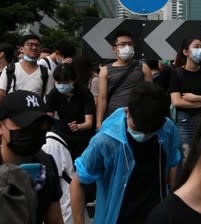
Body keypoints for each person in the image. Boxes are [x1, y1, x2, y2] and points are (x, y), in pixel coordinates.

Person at [70, 82, 180, 224]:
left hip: (157, 215)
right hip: (120, 217)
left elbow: (172, 162)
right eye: (137, 128)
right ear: (127, 111)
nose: (142, 135)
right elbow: (77, 182)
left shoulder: (167, 129)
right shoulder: (106, 141)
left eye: (148, 132)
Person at [0, 90, 63, 224]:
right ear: (0, 127)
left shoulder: (46, 164)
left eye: (39, 125)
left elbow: (55, 220)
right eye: (23, 124)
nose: (32, 131)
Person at [170, 37, 201, 162]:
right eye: (196, 47)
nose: (200, 50)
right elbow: (177, 102)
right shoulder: (177, 73)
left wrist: (194, 98)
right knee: (186, 157)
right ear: (185, 52)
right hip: (184, 121)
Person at [95, 30, 152, 129]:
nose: (127, 47)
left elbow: (150, 95)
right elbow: (102, 98)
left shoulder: (143, 68)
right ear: (114, 49)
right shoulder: (105, 71)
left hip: (137, 119)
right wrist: (99, 122)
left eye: (130, 44)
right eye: (123, 44)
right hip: (113, 119)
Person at [0, 34, 54, 120]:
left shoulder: (46, 73)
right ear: (21, 49)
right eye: (30, 44)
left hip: (35, 121)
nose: (34, 48)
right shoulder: (10, 69)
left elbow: (49, 101)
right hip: (11, 120)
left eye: (37, 45)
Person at [46, 63, 95, 159]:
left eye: (65, 82)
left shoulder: (85, 93)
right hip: (62, 134)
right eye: (58, 82)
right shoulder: (54, 93)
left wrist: (79, 126)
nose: (61, 85)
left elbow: (89, 123)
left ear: (74, 80)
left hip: (83, 136)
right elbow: (49, 118)